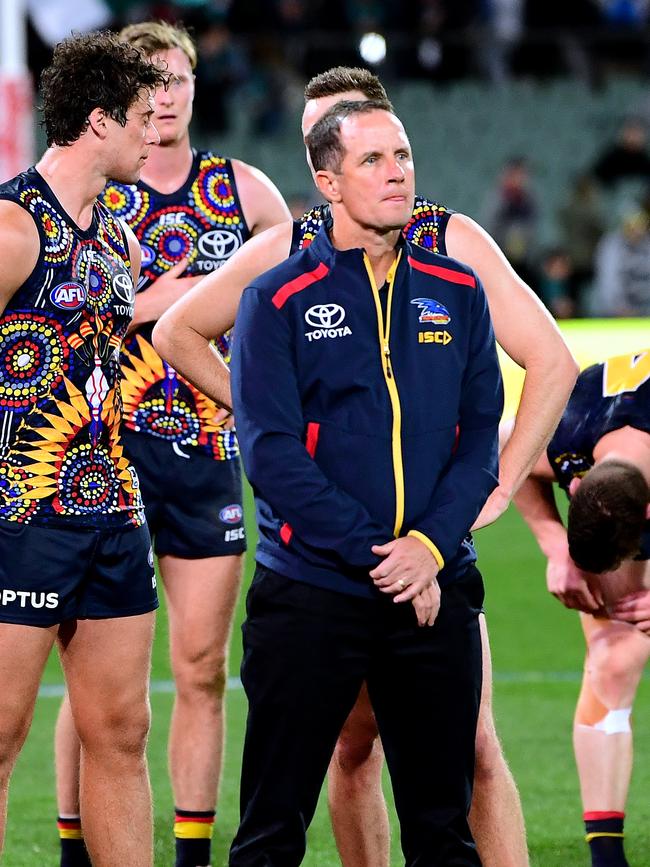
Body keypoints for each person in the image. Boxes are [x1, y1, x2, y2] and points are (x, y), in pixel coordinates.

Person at [154, 65, 578, 867]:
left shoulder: (451, 247)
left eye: (395, 151)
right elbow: (177, 333)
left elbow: (545, 366)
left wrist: (488, 492)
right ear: (323, 165)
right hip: (320, 561)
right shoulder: (285, 264)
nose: (389, 169)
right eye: (345, 142)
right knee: (341, 763)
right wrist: (269, 417)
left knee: (473, 756)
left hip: (431, 555)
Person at [229, 96, 503, 866]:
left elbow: (479, 435)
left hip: (435, 592)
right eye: (373, 161)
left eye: (404, 156)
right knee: (271, 832)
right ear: (328, 182)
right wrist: (387, 554)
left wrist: (428, 546)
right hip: (312, 596)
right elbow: (273, 456)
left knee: (444, 833)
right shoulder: (275, 299)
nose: (397, 174)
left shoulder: (458, 290)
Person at [52, 20, 291, 867]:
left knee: (199, 665)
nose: (163, 94)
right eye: (147, 78)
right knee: (95, 676)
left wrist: (197, 301)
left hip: (205, 446)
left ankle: (191, 852)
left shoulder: (243, 189)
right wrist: (184, 294)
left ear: (196, 85)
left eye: (177, 77)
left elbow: (297, 262)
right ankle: (76, 843)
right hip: (100, 449)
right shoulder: (95, 185)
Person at [0, 31, 167, 866]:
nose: (156, 132)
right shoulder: (11, 223)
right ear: (99, 122)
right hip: (21, 515)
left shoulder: (121, 233)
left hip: (113, 510)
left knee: (123, 731)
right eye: (142, 118)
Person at [512, 349, 650, 867]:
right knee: (613, 662)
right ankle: (607, 857)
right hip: (615, 450)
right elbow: (512, 456)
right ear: (577, 482)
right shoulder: (570, 434)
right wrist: (556, 549)